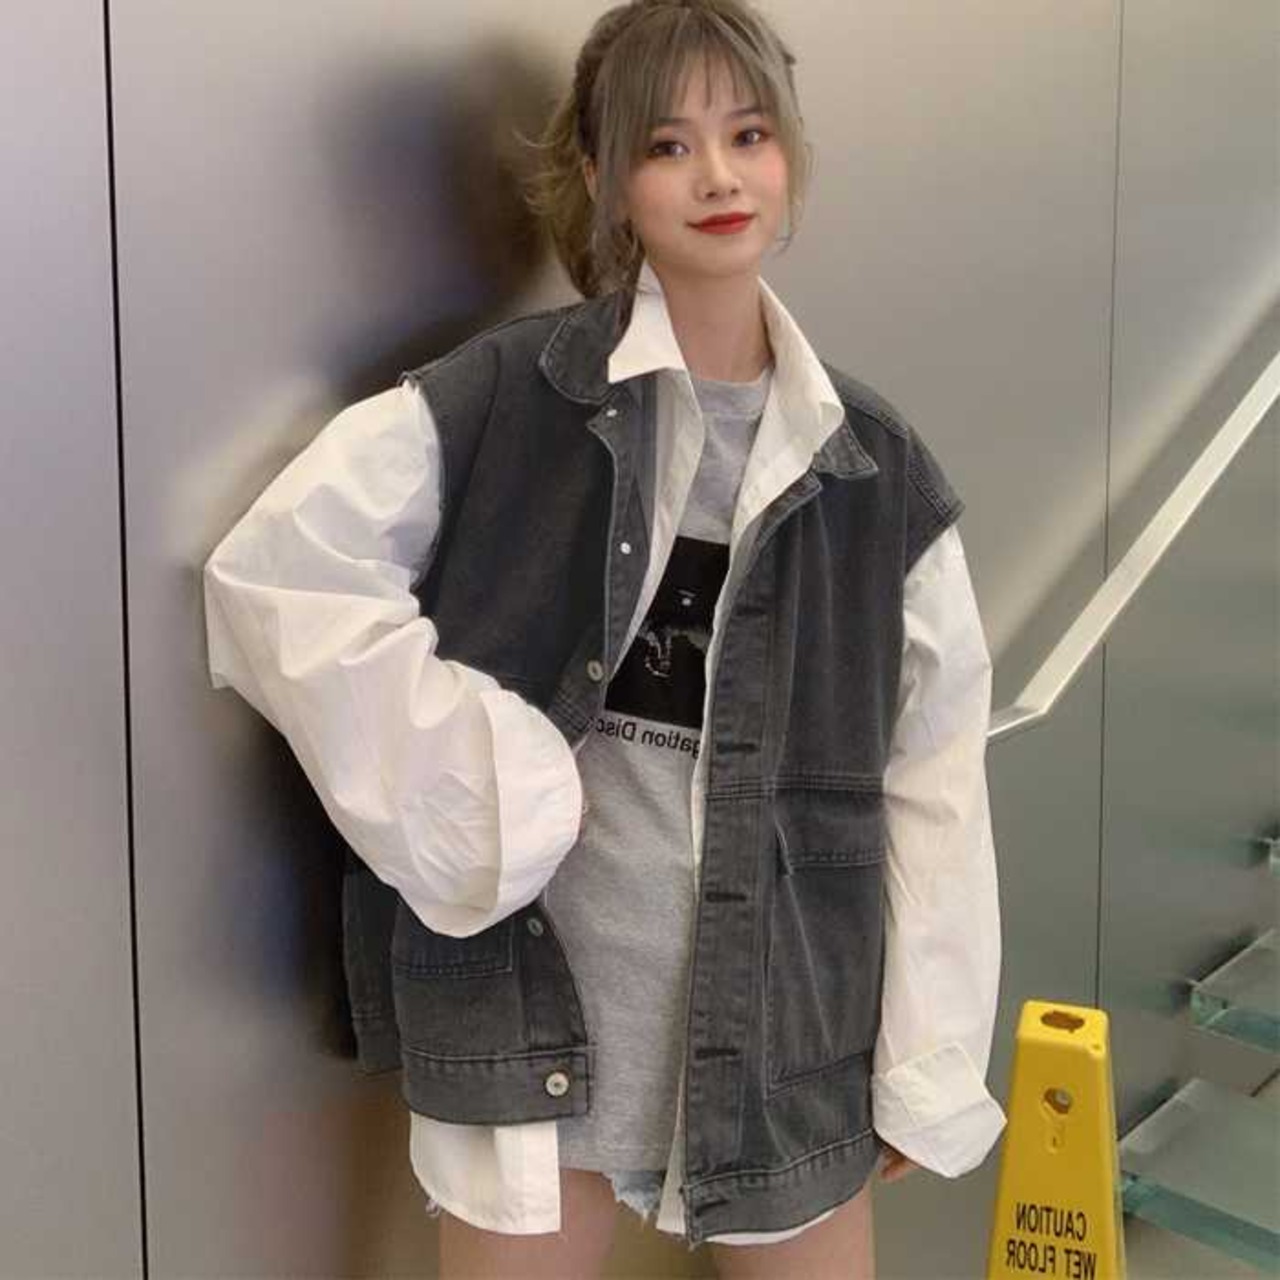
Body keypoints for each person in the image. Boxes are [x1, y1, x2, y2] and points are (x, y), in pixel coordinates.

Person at [202, 1, 1007, 1276]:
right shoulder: (506, 399)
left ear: (787, 156)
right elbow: (278, 572)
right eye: (666, 145)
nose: (717, 176)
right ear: (602, 176)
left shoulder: (874, 470)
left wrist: (927, 1053)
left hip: (789, 1029)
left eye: (747, 135)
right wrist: (484, 781)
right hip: (536, 1023)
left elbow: (932, 776)